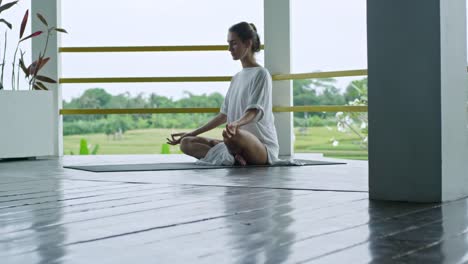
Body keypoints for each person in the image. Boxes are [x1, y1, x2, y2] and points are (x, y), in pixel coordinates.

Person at [167, 21, 279, 166]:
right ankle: (234, 156)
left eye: (234, 43)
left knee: (234, 135)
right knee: (186, 143)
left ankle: (232, 154)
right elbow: (223, 115)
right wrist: (192, 133)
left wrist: (236, 124)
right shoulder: (237, 78)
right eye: (228, 43)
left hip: (262, 148)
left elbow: (254, 111)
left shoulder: (261, 74)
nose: (229, 48)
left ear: (248, 43)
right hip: (234, 140)